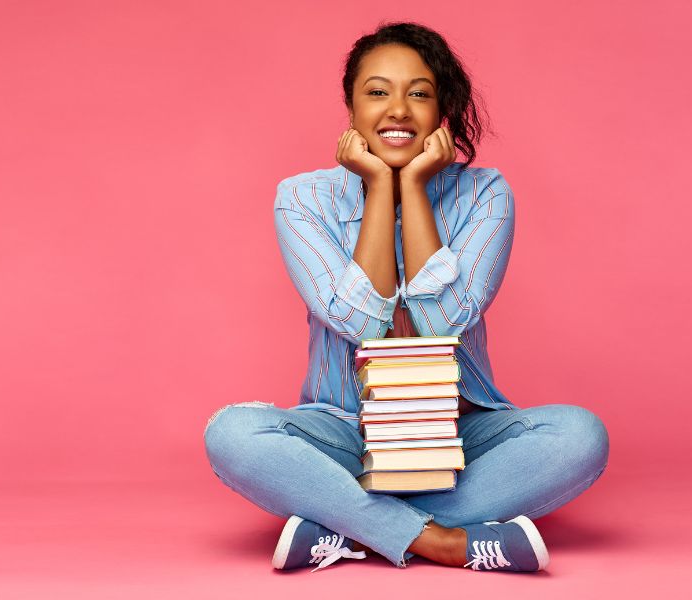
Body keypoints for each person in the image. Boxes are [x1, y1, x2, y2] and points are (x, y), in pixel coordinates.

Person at [203, 21, 609, 573]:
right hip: (345, 430)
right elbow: (363, 324)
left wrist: (413, 188)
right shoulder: (301, 198)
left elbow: (442, 320)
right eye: (377, 92)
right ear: (350, 108)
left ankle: (346, 527)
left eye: (418, 93)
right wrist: (377, 185)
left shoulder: (485, 192)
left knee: (579, 437)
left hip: (458, 430)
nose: (398, 109)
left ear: (441, 111)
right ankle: (444, 541)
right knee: (231, 433)